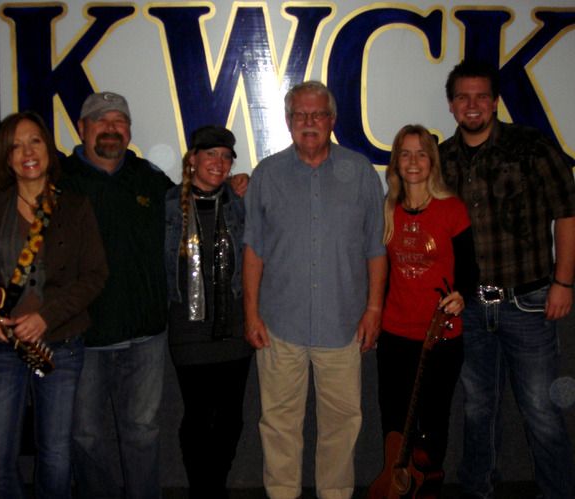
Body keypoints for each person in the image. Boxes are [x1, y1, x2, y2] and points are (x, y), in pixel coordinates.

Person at [243, 80, 387, 499]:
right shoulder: (267, 174)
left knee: (342, 425)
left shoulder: (360, 173)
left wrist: (374, 309)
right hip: (279, 326)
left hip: (343, 325)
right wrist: (251, 314)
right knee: (279, 424)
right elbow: (254, 250)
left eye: (318, 114)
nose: (309, 122)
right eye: (300, 115)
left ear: (332, 120)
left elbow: (375, 249)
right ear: (288, 121)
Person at [439, 60, 575, 499]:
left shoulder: (531, 146)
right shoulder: (441, 158)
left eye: (481, 96)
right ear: (451, 104)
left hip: (529, 303)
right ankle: (478, 490)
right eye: (463, 97)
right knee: (478, 409)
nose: (472, 104)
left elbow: (567, 212)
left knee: (541, 410)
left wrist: (564, 282)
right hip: (470, 307)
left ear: (495, 101)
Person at [0, 111, 107, 499]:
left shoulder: (76, 207)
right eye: (15, 146)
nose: (27, 152)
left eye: (34, 141)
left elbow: (95, 275)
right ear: (6, 157)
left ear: (48, 149)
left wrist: (46, 317)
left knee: (56, 455)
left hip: (60, 344)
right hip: (1, 346)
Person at [63, 92, 172, 499]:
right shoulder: (60, 180)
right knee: (85, 435)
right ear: (82, 128)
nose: (111, 128)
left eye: (119, 121)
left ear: (129, 130)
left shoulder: (149, 178)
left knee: (142, 431)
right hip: (82, 336)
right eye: (100, 121)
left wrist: (235, 186)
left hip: (145, 334)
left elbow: (192, 206)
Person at [375, 124, 477, 496]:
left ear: (432, 161)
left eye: (421, 153)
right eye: (405, 153)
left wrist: (462, 295)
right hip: (395, 334)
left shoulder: (452, 209)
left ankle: (428, 486)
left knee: (432, 422)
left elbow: (470, 270)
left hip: (441, 337)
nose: (413, 161)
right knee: (394, 418)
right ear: (396, 163)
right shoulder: (387, 209)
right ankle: (396, 484)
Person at [165, 125, 253, 499]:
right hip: (189, 331)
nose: (218, 162)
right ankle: (203, 491)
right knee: (198, 419)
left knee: (231, 420)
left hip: (234, 328)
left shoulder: (239, 202)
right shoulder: (169, 205)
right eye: (210, 154)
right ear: (193, 160)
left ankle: (215, 486)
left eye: (225, 156)